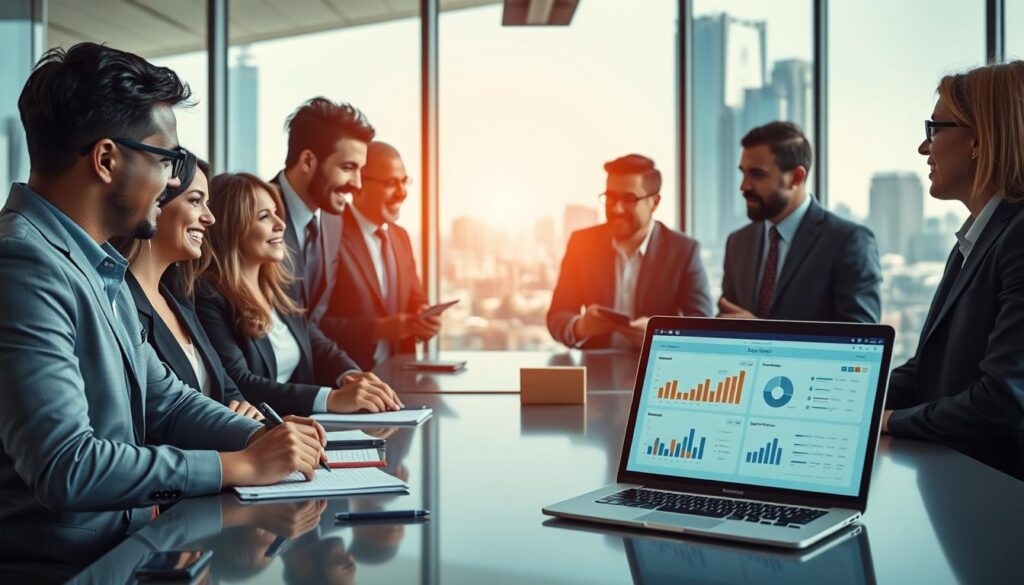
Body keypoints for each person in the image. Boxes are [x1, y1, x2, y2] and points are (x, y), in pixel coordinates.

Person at [0, 43, 329, 567]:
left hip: (128, 553)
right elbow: (66, 465)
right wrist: (235, 466)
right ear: (107, 159)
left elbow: (167, 401)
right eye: (168, 159)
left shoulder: (97, 264)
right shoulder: (24, 262)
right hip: (69, 569)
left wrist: (267, 438)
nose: (175, 181)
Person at [883, 61, 1024, 479]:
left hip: (998, 501)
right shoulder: (974, 240)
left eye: (934, 129)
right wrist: (846, 398)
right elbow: (929, 370)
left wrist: (886, 421)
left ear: (978, 139)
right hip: (962, 489)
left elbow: (1002, 398)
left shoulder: (1017, 237)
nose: (923, 149)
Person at [195, 172, 402, 416]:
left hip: (299, 429)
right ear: (232, 229)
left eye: (276, 212)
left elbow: (313, 339)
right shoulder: (209, 297)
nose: (280, 223)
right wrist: (330, 398)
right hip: (264, 437)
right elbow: (239, 382)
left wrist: (351, 375)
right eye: (264, 216)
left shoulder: (279, 287)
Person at [114, 154, 261, 420]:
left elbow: (230, 393)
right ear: (155, 203)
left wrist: (247, 415)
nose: (210, 218)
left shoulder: (180, 301)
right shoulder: (120, 303)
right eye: (195, 201)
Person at [718, 121, 882, 322]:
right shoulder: (738, 242)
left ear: (796, 177)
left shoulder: (848, 242)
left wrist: (761, 334)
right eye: (743, 173)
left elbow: (860, 345)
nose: (744, 186)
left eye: (757, 174)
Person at [547, 154, 713, 349]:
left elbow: (703, 324)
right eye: (610, 197)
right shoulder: (581, 243)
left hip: (655, 370)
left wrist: (659, 338)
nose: (617, 208)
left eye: (629, 199)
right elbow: (557, 315)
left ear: (655, 202)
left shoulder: (684, 251)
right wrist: (580, 327)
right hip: (596, 370)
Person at [320, 142, 438, 369]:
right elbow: (314, 325)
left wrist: (424, 317)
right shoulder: (329, 234)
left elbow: (415, 299)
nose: (402, 193)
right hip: (348, 381)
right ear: (358, 184)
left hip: (400, 377)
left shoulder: (400, 237)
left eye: (404, 181)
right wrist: (379, 328)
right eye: (391, 183)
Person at [271, 97, 375, 325]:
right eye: (347, 168)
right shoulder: (252, 214)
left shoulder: (332, 221)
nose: (357, 184)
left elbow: (312, 323)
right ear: (308, 161)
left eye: (360, 170)